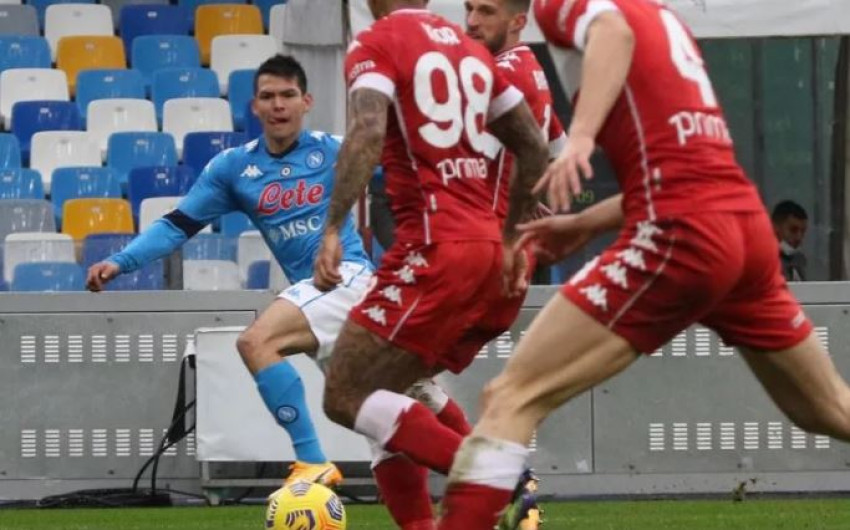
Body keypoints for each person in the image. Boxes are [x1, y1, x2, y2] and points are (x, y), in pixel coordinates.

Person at [436, 1, 850, 528]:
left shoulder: (570, 6)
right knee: (826, 408)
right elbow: (680, 165)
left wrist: (581, 136)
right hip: (741, 225)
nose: (471, 16)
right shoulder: (665, 17)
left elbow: (610, 31)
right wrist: (585, 224)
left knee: (510, 395)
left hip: (683, 234)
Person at [312, 1, 549, 529]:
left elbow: (368, 130)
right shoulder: (472, 51)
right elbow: (534, 146)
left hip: (433, 249)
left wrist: (332, 227)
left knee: (344, 392)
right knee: (388, 398)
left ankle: (494, 474)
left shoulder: (378, 42)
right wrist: (510, 235)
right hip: (490, 254)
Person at [85, 54, 373, 488]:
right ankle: (495, 474)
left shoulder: (336, 151)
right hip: (314, 297)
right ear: (254, 107)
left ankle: (312, 462)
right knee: (393, 414)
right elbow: (178, 224)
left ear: (306, 101)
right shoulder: (233, 168)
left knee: (256, 341)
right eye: (268, 96)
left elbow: (403, 182)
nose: (278, 105)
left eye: (287, 95)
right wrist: (121, 261)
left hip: (348, 278)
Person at [771, 200, 808, 281]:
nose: (799, 237)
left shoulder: (800, 260)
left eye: (803, 231)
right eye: (793, 230)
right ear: (775, 227)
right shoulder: (764, 262)